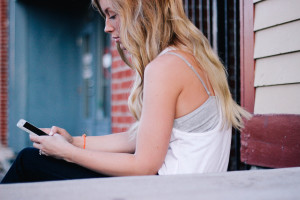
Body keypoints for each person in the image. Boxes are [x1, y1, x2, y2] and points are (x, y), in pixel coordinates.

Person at [1, 0, 251, 184]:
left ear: (142, 11)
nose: (107, 28)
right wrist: (74, 141)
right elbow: (141, 139)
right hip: (178, 188)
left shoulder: (165, 67)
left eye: (113, 15)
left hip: (167, 192)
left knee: (27, 162)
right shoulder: (186, 59)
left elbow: (143, 165)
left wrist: (68, 153)